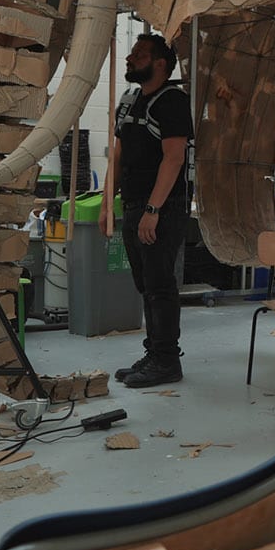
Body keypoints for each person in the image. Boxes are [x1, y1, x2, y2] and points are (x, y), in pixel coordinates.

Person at [99, 33, 194, 388]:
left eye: (138, 55)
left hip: (164, 207)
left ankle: (167, 359)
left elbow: (174, 158)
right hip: (135, 203)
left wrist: (153, 210)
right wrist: (108, 203)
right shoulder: (129, 100)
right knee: (145, 284)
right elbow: (118, 155)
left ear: (159, 64)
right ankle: (154, 352)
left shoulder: (172, 102)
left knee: (159, 284)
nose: (129, 59)